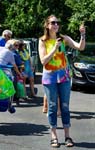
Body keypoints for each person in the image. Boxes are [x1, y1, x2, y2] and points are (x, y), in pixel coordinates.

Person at [38, 14, 85, 148]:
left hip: (63, 76)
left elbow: (80, 47)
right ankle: (54, 136)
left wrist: (82, 35)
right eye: (53, 23)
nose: (56, 25)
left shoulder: (64, 38)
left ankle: (67, 136)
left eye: (57, 23)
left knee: (65, 107)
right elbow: (43, 61)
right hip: (49, 76)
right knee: (52, 107)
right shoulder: (42, 41)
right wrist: (54, 48)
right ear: (47, 25)